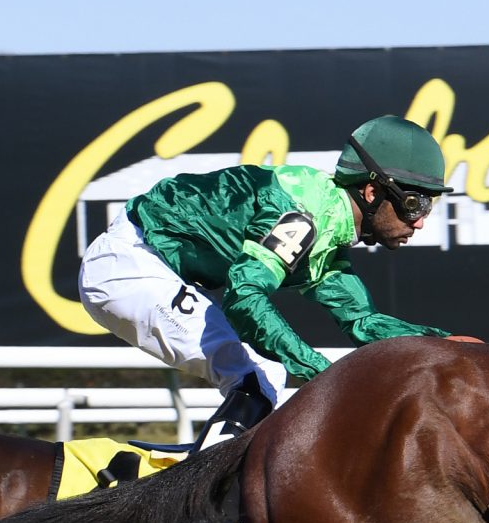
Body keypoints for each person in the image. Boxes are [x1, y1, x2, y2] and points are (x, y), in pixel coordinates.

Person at [78, 115, 456, 447]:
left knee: (264, 374)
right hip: (129, 266)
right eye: (415, 203)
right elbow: (244, 296)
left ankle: (205, 485)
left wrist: (444, 342)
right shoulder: (303, 217)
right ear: (372, 191)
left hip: (148, 266)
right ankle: (201, 497)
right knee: (259, 376)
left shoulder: (330, 228)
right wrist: (322, 373)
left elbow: (362, 322)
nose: (421, 221)